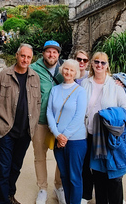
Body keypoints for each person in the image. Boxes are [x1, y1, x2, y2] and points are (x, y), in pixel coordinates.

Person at [0, 44, 41, 204]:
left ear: (32, 59)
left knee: (16, 167)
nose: (25, 59)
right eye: (23, 56)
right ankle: (3, 201)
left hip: (25, 132)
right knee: (3, 169)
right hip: (5, 130)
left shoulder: (34, 77)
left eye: (28, 57)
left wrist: (34, 123)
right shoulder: (4, 75)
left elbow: (37, 102)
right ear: (17, 55)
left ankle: (10, 194)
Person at [81, 52, 126, 204]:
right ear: (92, 63)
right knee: (97, 174)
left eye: (103, 63)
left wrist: (110, 118)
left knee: (114, 175)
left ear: (107, 65)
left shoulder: (115, 86)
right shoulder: (86, 83)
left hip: (109, 137)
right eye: (96, 62)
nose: (99, 65)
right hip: (91, 135)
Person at [47, 59, 87, 204]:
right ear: (62, 69)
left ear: (76, 73)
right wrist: (58, 135)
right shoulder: (55, 90)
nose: (68, 72)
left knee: (74, 177)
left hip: (76, 140)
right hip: (59, 139)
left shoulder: (80, 92)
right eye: (66, 69)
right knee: (64, 175)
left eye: (71, 70)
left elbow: (79, 116)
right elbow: (49, 113)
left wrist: (65, 136)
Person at [30, 40, 66, 204]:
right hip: (40, 120)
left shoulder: (63, 69)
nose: (52, 55)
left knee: (61, 156)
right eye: (49, 52)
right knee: (39, 155)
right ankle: (42, 188)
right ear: (43, 53)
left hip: (60, 121)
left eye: (55, 52)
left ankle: (58, 186)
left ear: (58, 55)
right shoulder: (34, 69)